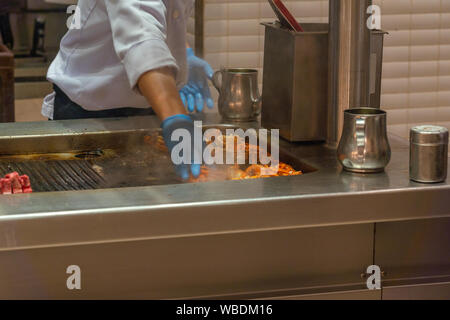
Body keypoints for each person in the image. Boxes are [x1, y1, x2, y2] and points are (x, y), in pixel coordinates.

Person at [42, 0, 214, 180]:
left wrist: (183, 52)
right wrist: (174, 115)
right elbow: (141, 40)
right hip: (89, 109)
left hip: (147, 107)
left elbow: (159, 15)